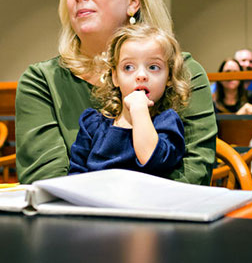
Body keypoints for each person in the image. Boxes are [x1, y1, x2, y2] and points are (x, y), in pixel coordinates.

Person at [15, 0, 217, 185]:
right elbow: (46, 181)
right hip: (72, 220)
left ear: (133, 1)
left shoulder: (182, 71)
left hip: (162, 219)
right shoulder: (41, 80)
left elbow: (193, 175)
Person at [69, 25, 188, 176]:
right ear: (115, 77)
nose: (141, 75)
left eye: (153, 67)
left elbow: (154, 161)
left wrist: (139, 110)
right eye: (129, 67)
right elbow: (76, 174)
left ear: (169, 77)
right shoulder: (93, 125)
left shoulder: (167, 123)